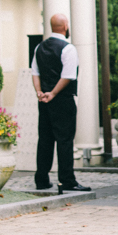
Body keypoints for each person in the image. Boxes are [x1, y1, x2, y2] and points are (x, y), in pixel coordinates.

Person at [31, 13, 91, 194]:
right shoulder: (68, 48)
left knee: (45, 139)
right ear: (65, 26)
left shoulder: (39, 47)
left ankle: (41, 179)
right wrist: (53, 93)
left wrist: (40, 92)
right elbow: (68, 76)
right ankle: (67, 180)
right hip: (62, 99)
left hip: (44, 101)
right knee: (64, 140)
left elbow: (35, 72)